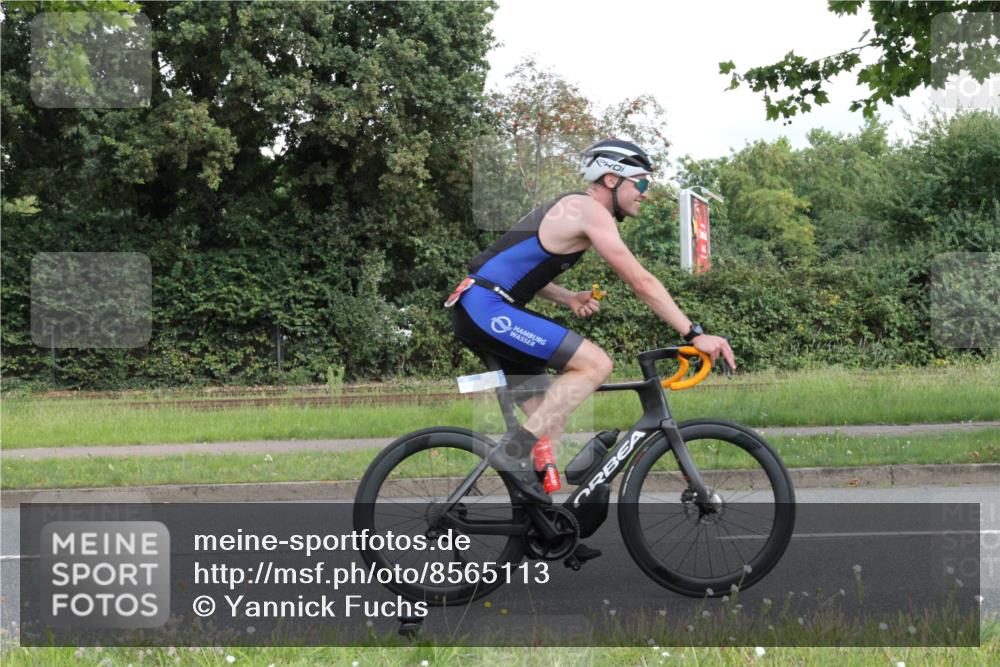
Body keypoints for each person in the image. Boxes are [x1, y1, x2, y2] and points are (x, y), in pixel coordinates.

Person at [447, 139, 736, 516]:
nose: (645, 195)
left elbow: (506, 266)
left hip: (480, 305)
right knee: (595, 364)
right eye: (643, 184)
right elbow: (641, 282)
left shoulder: (572, 209)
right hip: (486, 308)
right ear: (613, 179)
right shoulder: (588, 210)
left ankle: (541, 523)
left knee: (550, 414)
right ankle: (513, 456)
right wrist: (694, 333)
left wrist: (567, 297)